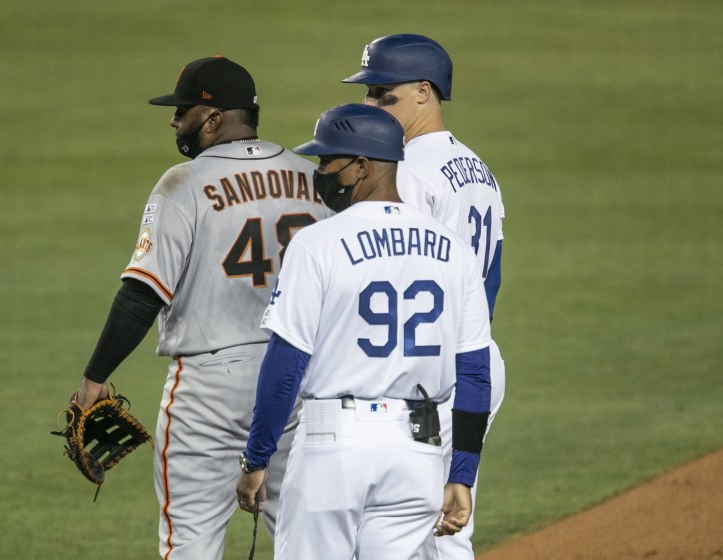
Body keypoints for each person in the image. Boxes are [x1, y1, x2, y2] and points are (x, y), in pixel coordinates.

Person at [67, 55, 332, 559]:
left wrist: (93, 381)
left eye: (182, 111)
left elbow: (141, 295)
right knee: (311, 546)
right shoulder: (314, 178)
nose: (173, 121)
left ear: (214, 119)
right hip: (298, 382)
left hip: (209, 392)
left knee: (188, 545)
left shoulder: (182, 183)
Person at [235, 103, 493, 560]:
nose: (320, 173)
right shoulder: (453, 249)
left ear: (362, 166)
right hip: (419, 450)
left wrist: (257, 459)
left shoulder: (316, 244)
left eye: (326, 162)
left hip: (334, 444)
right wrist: (462, 474)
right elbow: (474, 373)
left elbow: (284, 365)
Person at [341, 33, 507, 560]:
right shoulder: (477, 166)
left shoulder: (407, 170)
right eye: (367, 93)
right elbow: (492, 279)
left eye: (381, 93)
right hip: (476, 361)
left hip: (430, 373)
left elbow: (388, 277)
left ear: (422, 92)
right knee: (447, 528)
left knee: (397, 532)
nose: (370, 104)